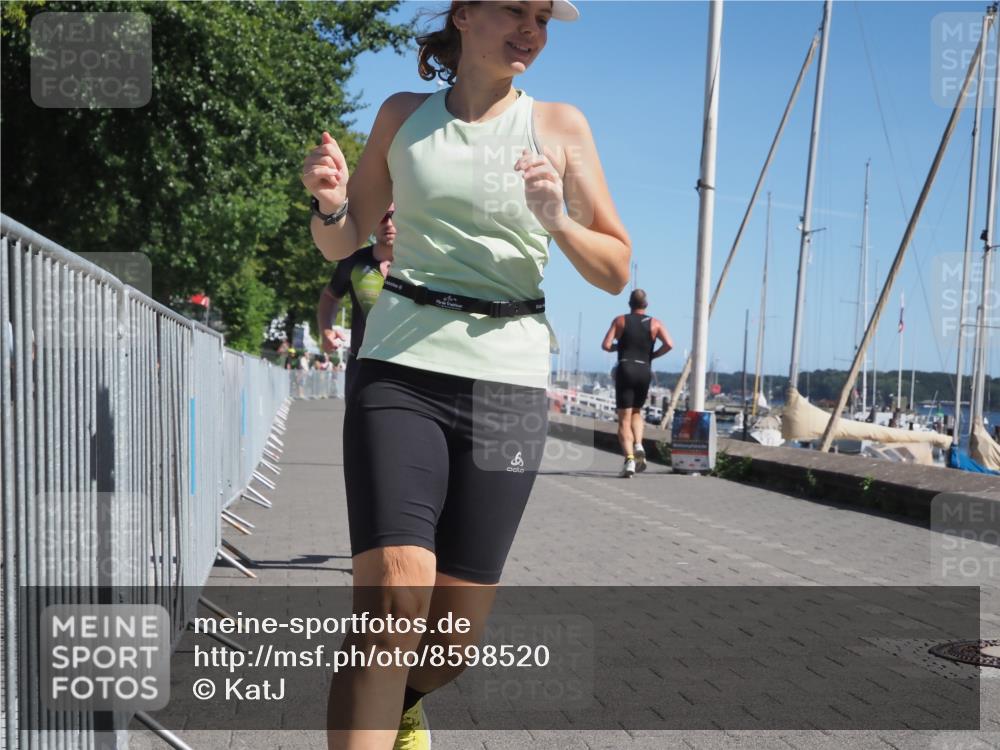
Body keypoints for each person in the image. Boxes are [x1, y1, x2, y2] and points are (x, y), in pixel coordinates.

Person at [301, 2, 630, 748]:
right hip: (401, 366)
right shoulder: (402, 115)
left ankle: (398, 699)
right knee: (391, 599)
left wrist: (557, 217)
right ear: (465, 15)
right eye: (516, 10)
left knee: (448, 644)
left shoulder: (561, 126)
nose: (531, 31)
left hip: (508, 385)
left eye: (543, 19)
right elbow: (346, 238)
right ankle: (377, 698)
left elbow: (615, 268)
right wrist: (326, 203)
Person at [316, 205, 396, 398]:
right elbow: (330, 296)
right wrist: (326, 328)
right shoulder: (354, 261)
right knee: (358, 428)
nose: (389, 223)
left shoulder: (421, 265)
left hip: (409, 365)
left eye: (395, 216)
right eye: (381, 217)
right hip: (362, 363)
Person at [601, 288, 673, 478]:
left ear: (629, 304)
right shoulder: (655, 323)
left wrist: (621, 346)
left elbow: (606, 345)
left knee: (623, 419)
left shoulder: (620, 320)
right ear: (646, 304)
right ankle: (639, 443)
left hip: (625, 369)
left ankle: (630, 460)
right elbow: (669, 344)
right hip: (644, 369)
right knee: (636, 412)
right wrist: (652, 355)